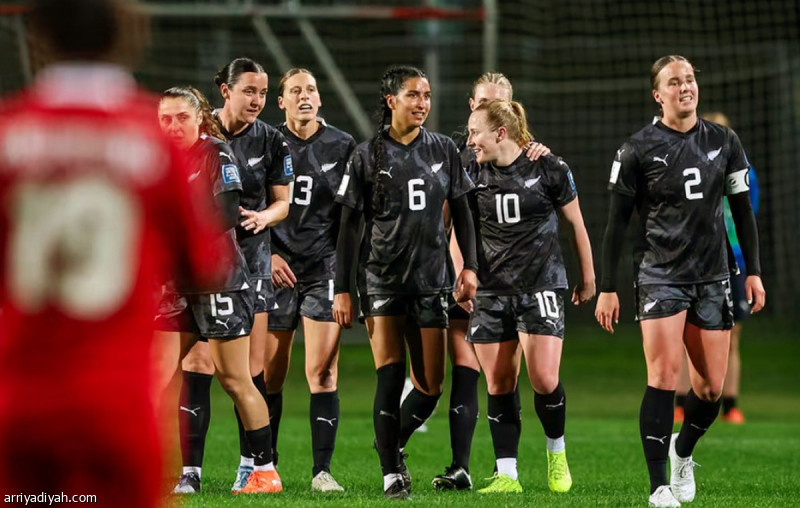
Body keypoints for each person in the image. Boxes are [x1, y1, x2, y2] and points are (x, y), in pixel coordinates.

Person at [0, 0, 220, 505]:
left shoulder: (9, 133)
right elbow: (205, 265)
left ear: (36, 37)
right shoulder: (150, 140)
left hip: (23, 401)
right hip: (116, 401)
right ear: (129, 37)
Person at [595, 55, 765, 507]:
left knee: (710, 390)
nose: (685, 87)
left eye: (689, 79)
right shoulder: (636, 149)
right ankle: (658, 488)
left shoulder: (724, 141)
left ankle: (682, 451)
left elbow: (743, 211)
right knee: (664, 375)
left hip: (713, 276)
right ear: (658, 94)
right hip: (659, 275)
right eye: (674, 82)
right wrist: (608, 286)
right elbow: (616, 224)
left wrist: (753, 272)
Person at [332, 65, 479, 499]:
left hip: (432, 281)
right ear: (391, 100)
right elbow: (348, 229)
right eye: (413, 95)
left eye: (427, 95)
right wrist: (342, 288)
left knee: (431, 385)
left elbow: (463, 213)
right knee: (390, 374)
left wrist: (470, 267)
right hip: (381, 280)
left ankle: (389, 442)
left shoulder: (444, 149)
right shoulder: (365, 155)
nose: (422, 103)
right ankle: (391, 474)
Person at [153, 87, 282, 495]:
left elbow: (225, 213)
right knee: (152, 375)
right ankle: (138, 469)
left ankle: (265, 472)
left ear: (199, 119)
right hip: (177, 286)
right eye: (165, 119)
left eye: (181, 117)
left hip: (218, 282)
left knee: (235, 379)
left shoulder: (216, 154)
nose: (173, 126)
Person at [462, 99, 594, 494]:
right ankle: (508, 475)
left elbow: (576, 223)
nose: (469, 140)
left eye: (475, 132)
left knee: (544, 378)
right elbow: (455, 226)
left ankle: (557, 453)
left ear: (500, 133)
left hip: (541, 285)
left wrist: (589, 276)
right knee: (499, 382)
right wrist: (463, 272)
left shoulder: (549, 167)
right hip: (491, 290)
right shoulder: (470, 170)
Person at [432, 72, 550, 491]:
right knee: (460, 372)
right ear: (472, 105)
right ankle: (456, 465)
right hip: (465, 276)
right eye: (484, 102)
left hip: (509, 283)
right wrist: (462, 272)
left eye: (500, 104)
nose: (491, 109)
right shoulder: (458, 155)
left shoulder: (532, 157)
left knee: (504, 375)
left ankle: (504, 468)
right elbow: (448, 223)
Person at [261, 68, 356, 492]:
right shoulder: (267, 142)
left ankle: (322, 472)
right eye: (295, 90)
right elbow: (252, 204)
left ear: (320, 99)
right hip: (277, 269)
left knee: (323, 372)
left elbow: (349, 217)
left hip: (323, 269)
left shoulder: (342, 145)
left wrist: (344, 274)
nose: (305, 96)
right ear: (281, 101)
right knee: (270, 374)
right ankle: (266, 464)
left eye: (311, 90)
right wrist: (268, 254)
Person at [674, 112, 760, 426]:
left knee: (732, 335)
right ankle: (681, 402)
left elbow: (747, 213)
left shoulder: (742, 170)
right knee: (686, 332)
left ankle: (730, 404)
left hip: (731, 260)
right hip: (692, 261)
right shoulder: (685, 166)